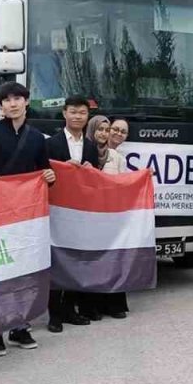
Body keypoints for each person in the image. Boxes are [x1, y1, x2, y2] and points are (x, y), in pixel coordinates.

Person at [0, 81, 56, 350]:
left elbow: (43, 172)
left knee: (23, 268)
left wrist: (49, 177)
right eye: (6, 100)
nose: (12, 103)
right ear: (1, 105)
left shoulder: (36, 137)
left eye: (17, 98)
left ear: (26, 101)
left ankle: (21, 326)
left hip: (25, 214)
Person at [43, 96, 101, 323]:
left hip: (81, 213)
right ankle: (54, 315)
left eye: (82, 113)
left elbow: (95, 181)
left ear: (88, 117)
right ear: (64, 113)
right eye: (73, 112)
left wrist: (90, 170)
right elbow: (43, 176)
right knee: (57, 261)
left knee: (77, 261)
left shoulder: (90, 147)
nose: (77, 117)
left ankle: (70, 309)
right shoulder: (51, 144)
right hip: (57, 211)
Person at [80, 114, 130, 321]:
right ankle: (91, 305)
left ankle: (113, 304)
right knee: (92, 261)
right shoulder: (83, 152)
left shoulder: (116, 157)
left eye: (106, 130)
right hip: (88, 214)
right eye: (100, 129)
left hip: (110, 213)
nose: (104, 133)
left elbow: (122, 184)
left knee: (112, 259)